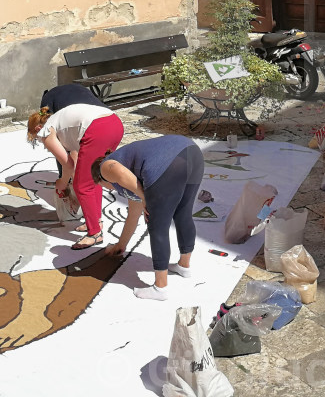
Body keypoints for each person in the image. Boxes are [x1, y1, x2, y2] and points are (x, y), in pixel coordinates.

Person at [94, 135, 204, 300]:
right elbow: (133, 216)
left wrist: (145, 198)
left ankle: (160, 288)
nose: (108, 190)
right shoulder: (132, 179)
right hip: (192, 152)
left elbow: (120, 173)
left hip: (168, 162)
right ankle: (184, 266)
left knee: (157, 225)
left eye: (102, 186)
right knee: (183, 213)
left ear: (100, 179)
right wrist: (121, 245)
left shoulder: (105, 167)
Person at [27, 85, 125, 249]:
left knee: (82, 185)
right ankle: (95, 222)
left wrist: (62, 183)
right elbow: (74, 159)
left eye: (36, 139)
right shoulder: (58, 121)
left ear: (37, 129)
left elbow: (69, 165)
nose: (42, 143)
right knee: (93, 178)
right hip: (114, 123)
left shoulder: (46, 131)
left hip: (97, 129)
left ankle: (94, 233)